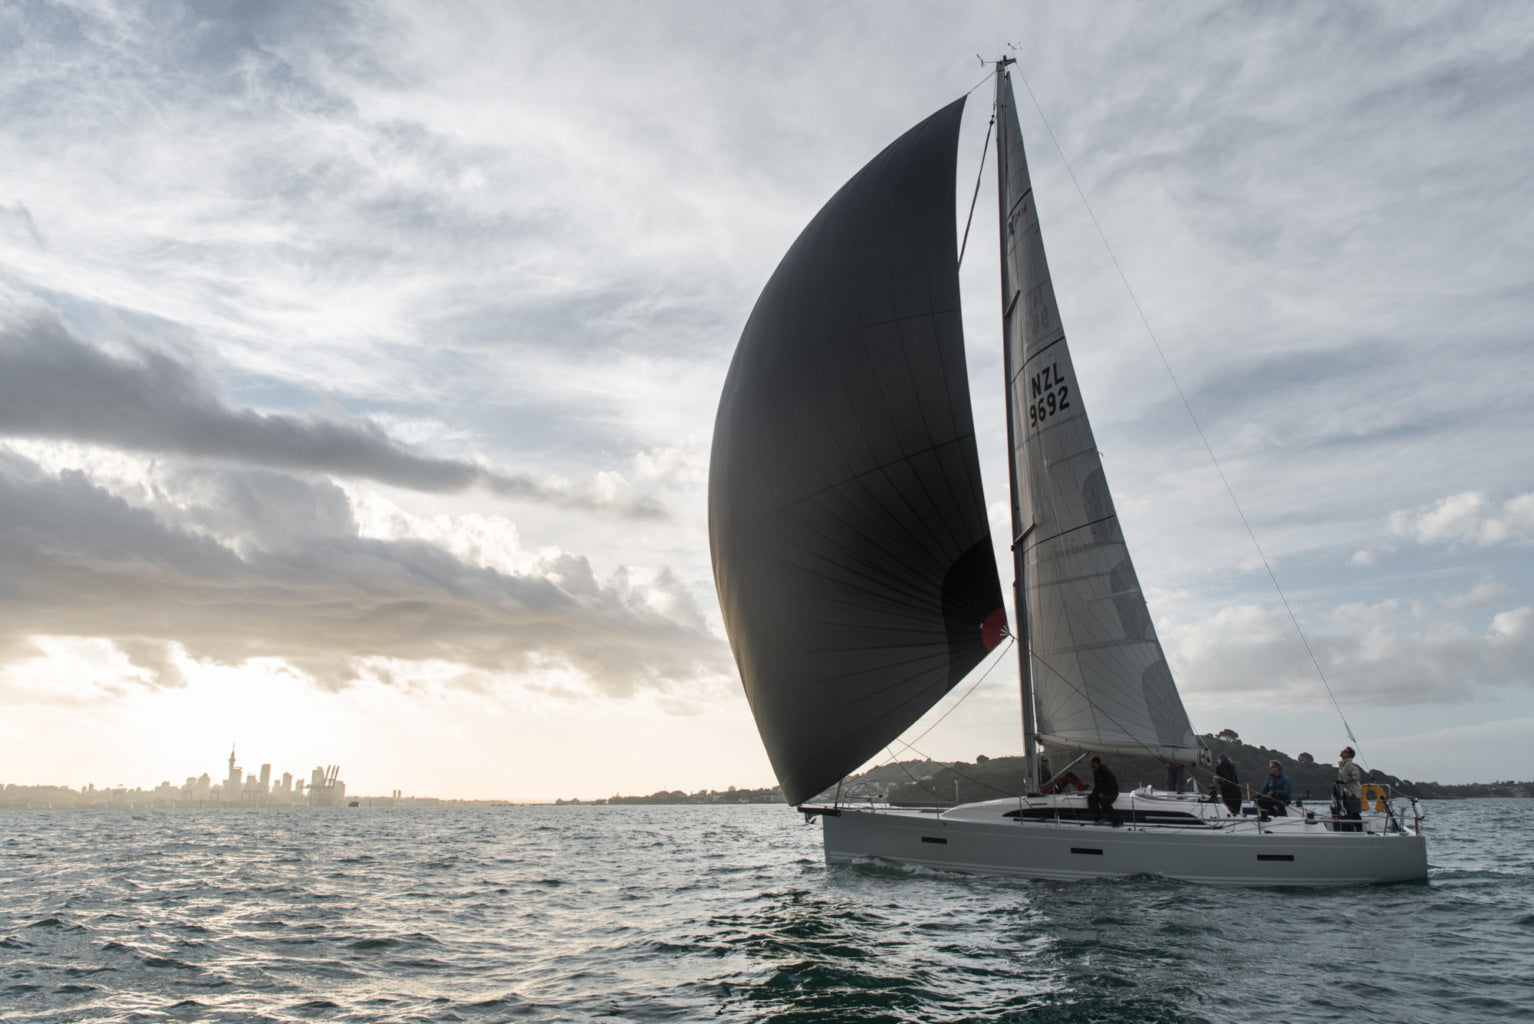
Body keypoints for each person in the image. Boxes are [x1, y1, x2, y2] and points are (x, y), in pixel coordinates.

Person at [1336, 746, 1364, 832]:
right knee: (1347, 812)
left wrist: (1345, 781)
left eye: (1345, 751)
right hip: (1345, 792)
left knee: (1354, 812)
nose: (1342, 751)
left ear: (1349, 755)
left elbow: (1356, 776)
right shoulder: (1342, 764)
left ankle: (1359, 830)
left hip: (1353, 792)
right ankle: (1350, 830)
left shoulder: (1350, 764)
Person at [1088, 756, 1119, 824]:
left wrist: (1102, 793)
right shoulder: (1095, 771)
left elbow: (1110, 785)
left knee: (1104, 800)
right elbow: (1097, 785)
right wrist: (1094, 793)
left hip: (1112, 792)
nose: (1091, 766)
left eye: (1093, 764)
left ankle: (1116, 821)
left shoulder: (1105, 771)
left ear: (1097, 763)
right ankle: (1099, 818)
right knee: (1091, 798)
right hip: (1102, 791)